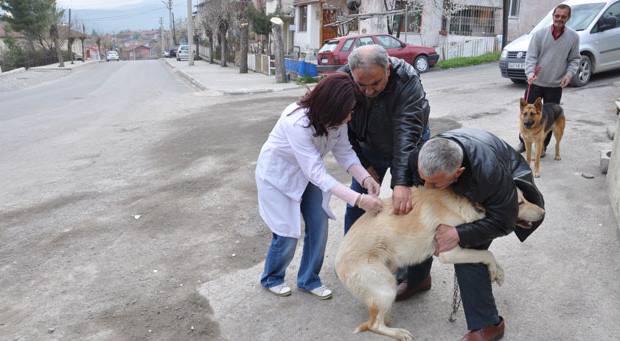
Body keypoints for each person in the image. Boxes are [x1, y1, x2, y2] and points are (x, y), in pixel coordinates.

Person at [408, 128, 545, 341]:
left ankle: (488, 325)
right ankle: (416, 279)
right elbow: (410, 172)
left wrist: (458, 233)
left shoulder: (490, 176)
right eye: (424, 178)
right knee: (420, 224)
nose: (428, 188)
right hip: (467, 168)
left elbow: (503, 221)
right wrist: (399, 186)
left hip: (504, 192)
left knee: (468, 248)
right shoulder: (425, 156)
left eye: (434, 184)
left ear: (458, 173)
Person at [256, 73, 383, 300]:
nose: (351, 116)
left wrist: (365, 179)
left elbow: (345, 152)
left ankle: (308, 279)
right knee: (287, 233)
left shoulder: (338, 121)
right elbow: (317, 173)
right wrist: (359, 199)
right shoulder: (296, 121)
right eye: (349, 111)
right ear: (332, 105)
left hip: (307, 177)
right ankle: (272, 277)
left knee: (319, 226)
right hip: (278, 178)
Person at [339, 44, 431, 301]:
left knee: (412, 210)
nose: (368, 91)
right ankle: (355, 260)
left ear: (388, 69)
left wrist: (400, 182)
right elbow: (343, 131)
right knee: (359, 204)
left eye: (375, 84)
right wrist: (361, 164)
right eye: (362, 86)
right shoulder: (344, 79)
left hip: (411, 147)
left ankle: (417, 277)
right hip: (368, 148)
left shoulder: (407, 79)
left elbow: (407, 132)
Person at [517, 3, 580, 155]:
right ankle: (524, 143)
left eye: (563, 17)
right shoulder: (539, 34)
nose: (559, 19)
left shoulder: (573, 37)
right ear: (553, 16)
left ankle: (543, 146)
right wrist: (530, 73)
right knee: (527, 114)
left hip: (555, 85)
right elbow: (531, 56)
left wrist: (568, 75)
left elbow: (574, 60)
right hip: (536, 83)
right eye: (557, 16)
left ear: (568, 18)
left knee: (550, 118)